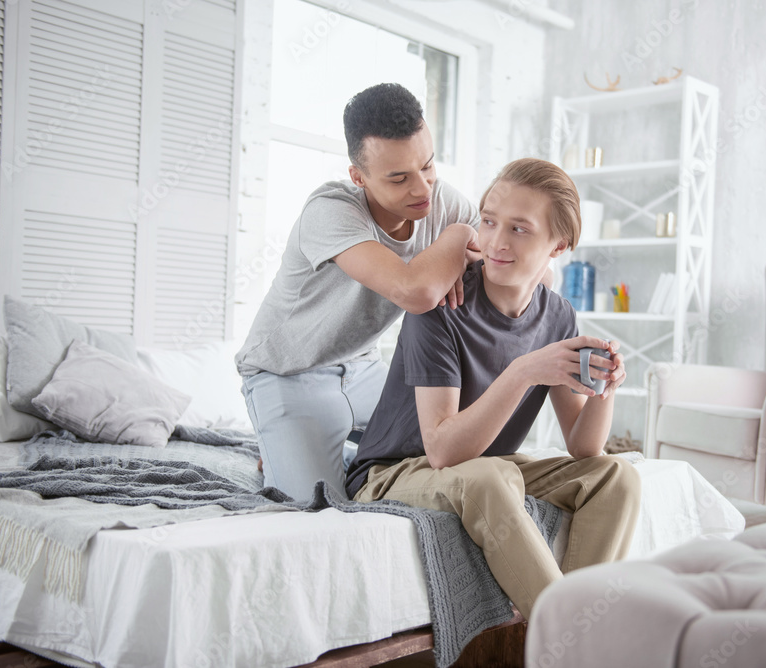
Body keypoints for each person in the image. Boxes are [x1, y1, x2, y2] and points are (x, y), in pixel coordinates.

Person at [346, 158, 642, 619]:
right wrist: (524, 371)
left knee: (615, 476)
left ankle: (581, 621)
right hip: (393, 473)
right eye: (488, 222)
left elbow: (585, 448)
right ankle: (565, 632)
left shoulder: (558, 315)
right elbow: (442, 450)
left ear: (558, 244)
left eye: (520, 229)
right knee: (492, 476)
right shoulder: (440, 308)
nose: (496, 243)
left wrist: (607, 387)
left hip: (487, 469)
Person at [235, 83, 482, 500]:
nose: (422, 189)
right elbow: (414, 291)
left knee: (445, 455)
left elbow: (517, 273)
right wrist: (459, 239)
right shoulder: (329, 212)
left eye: (428, 166)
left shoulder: (443, 202)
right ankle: (280, 446)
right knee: (319, 506)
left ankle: (314, 446)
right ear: (358, 177)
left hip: (364, 369)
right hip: (286, 372)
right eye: (399, 178)